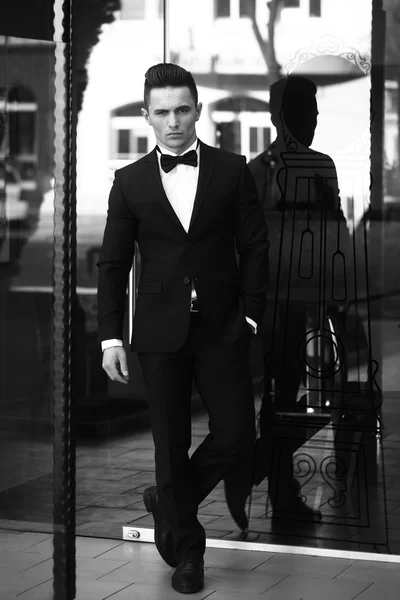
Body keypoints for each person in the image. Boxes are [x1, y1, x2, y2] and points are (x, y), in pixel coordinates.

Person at [97, 63, 269, 594]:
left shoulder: (232, 169)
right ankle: (188, 555)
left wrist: (250, 313)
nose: (173, 121)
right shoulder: (129, 182)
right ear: (147, 116)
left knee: (238, 435)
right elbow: (112, 264)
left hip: (223, 327)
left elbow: (255, 246)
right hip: (158, 333)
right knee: (168, 447)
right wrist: (110, 338)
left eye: (182, 110)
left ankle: (169, 499)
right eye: (162, 112)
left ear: (198, 110)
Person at [248, 75, 352, 520]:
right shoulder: (259, 172)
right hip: (281, 304)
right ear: (280, 116)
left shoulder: (310, 166)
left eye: (313, 111)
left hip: (307, 301)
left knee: (296, 396)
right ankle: (274, 481)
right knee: (283, 396)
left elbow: (336, 229)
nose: (311, 120)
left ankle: (271, 477)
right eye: (303, 111)